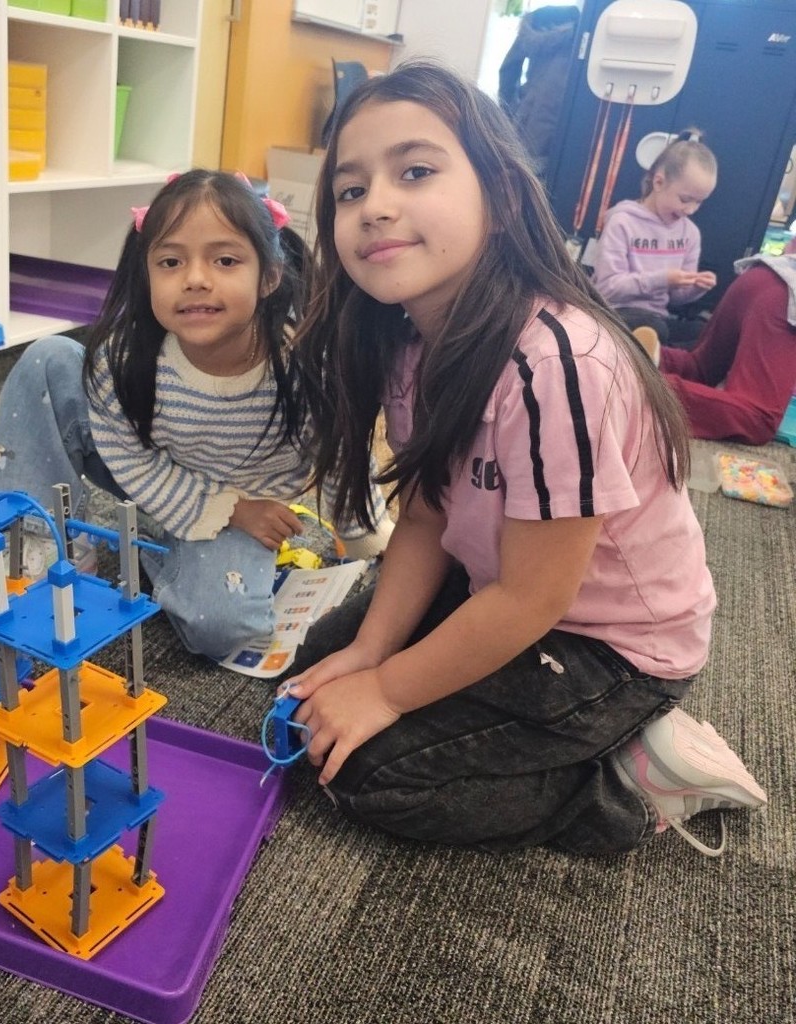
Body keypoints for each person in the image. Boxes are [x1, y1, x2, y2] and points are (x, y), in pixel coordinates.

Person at [283, 60, 766, 857]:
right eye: (351, 189)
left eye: (415, 171)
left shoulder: (555, 366)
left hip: (612, 648)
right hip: (502, 588)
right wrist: (368, 655)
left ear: (502, 199)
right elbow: (427, 518)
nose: (376, 206)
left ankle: (629, 782)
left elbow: (535, 598)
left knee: (371, 773)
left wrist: (387, 691)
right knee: (314, 678)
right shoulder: (409, 345)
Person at [0, 169, 392, 661]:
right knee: (50, 359)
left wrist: (368, 541)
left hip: (245, 505)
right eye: (171, 262)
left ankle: (156, 544)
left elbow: (340, 451)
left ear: (269, 276)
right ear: (147, 274)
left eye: (225, 260)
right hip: (143, 471)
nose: (195, 279)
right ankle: (38, 541)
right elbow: (130, 457)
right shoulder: (126, 357)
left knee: (226, 630)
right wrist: (222, 509)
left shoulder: (302, 364)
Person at [637, 253, 796, 446]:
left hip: (762, 275)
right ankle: (633, 390)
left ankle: (642, 357)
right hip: (783, 295)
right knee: (759, 418)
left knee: (702, 368)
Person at [591, 131, 718, 349]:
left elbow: (676, 298)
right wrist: (662, 279)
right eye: (685, 199)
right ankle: (655, 358)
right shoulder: (623, 222)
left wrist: (696, 286)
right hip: (613, 314)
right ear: (658, 182)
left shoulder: (690, 233)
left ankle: (658, 358)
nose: (690, 210)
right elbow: (607, 288)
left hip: (658, 319)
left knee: (707, 335)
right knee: (655, 329)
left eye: (699, 202)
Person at [497, 4, 580, 178]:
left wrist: (510, 109)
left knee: (517, 168)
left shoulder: (533, 24)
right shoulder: (579, 34)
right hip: (558, 117)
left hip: (527, 112)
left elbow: (508, 69)